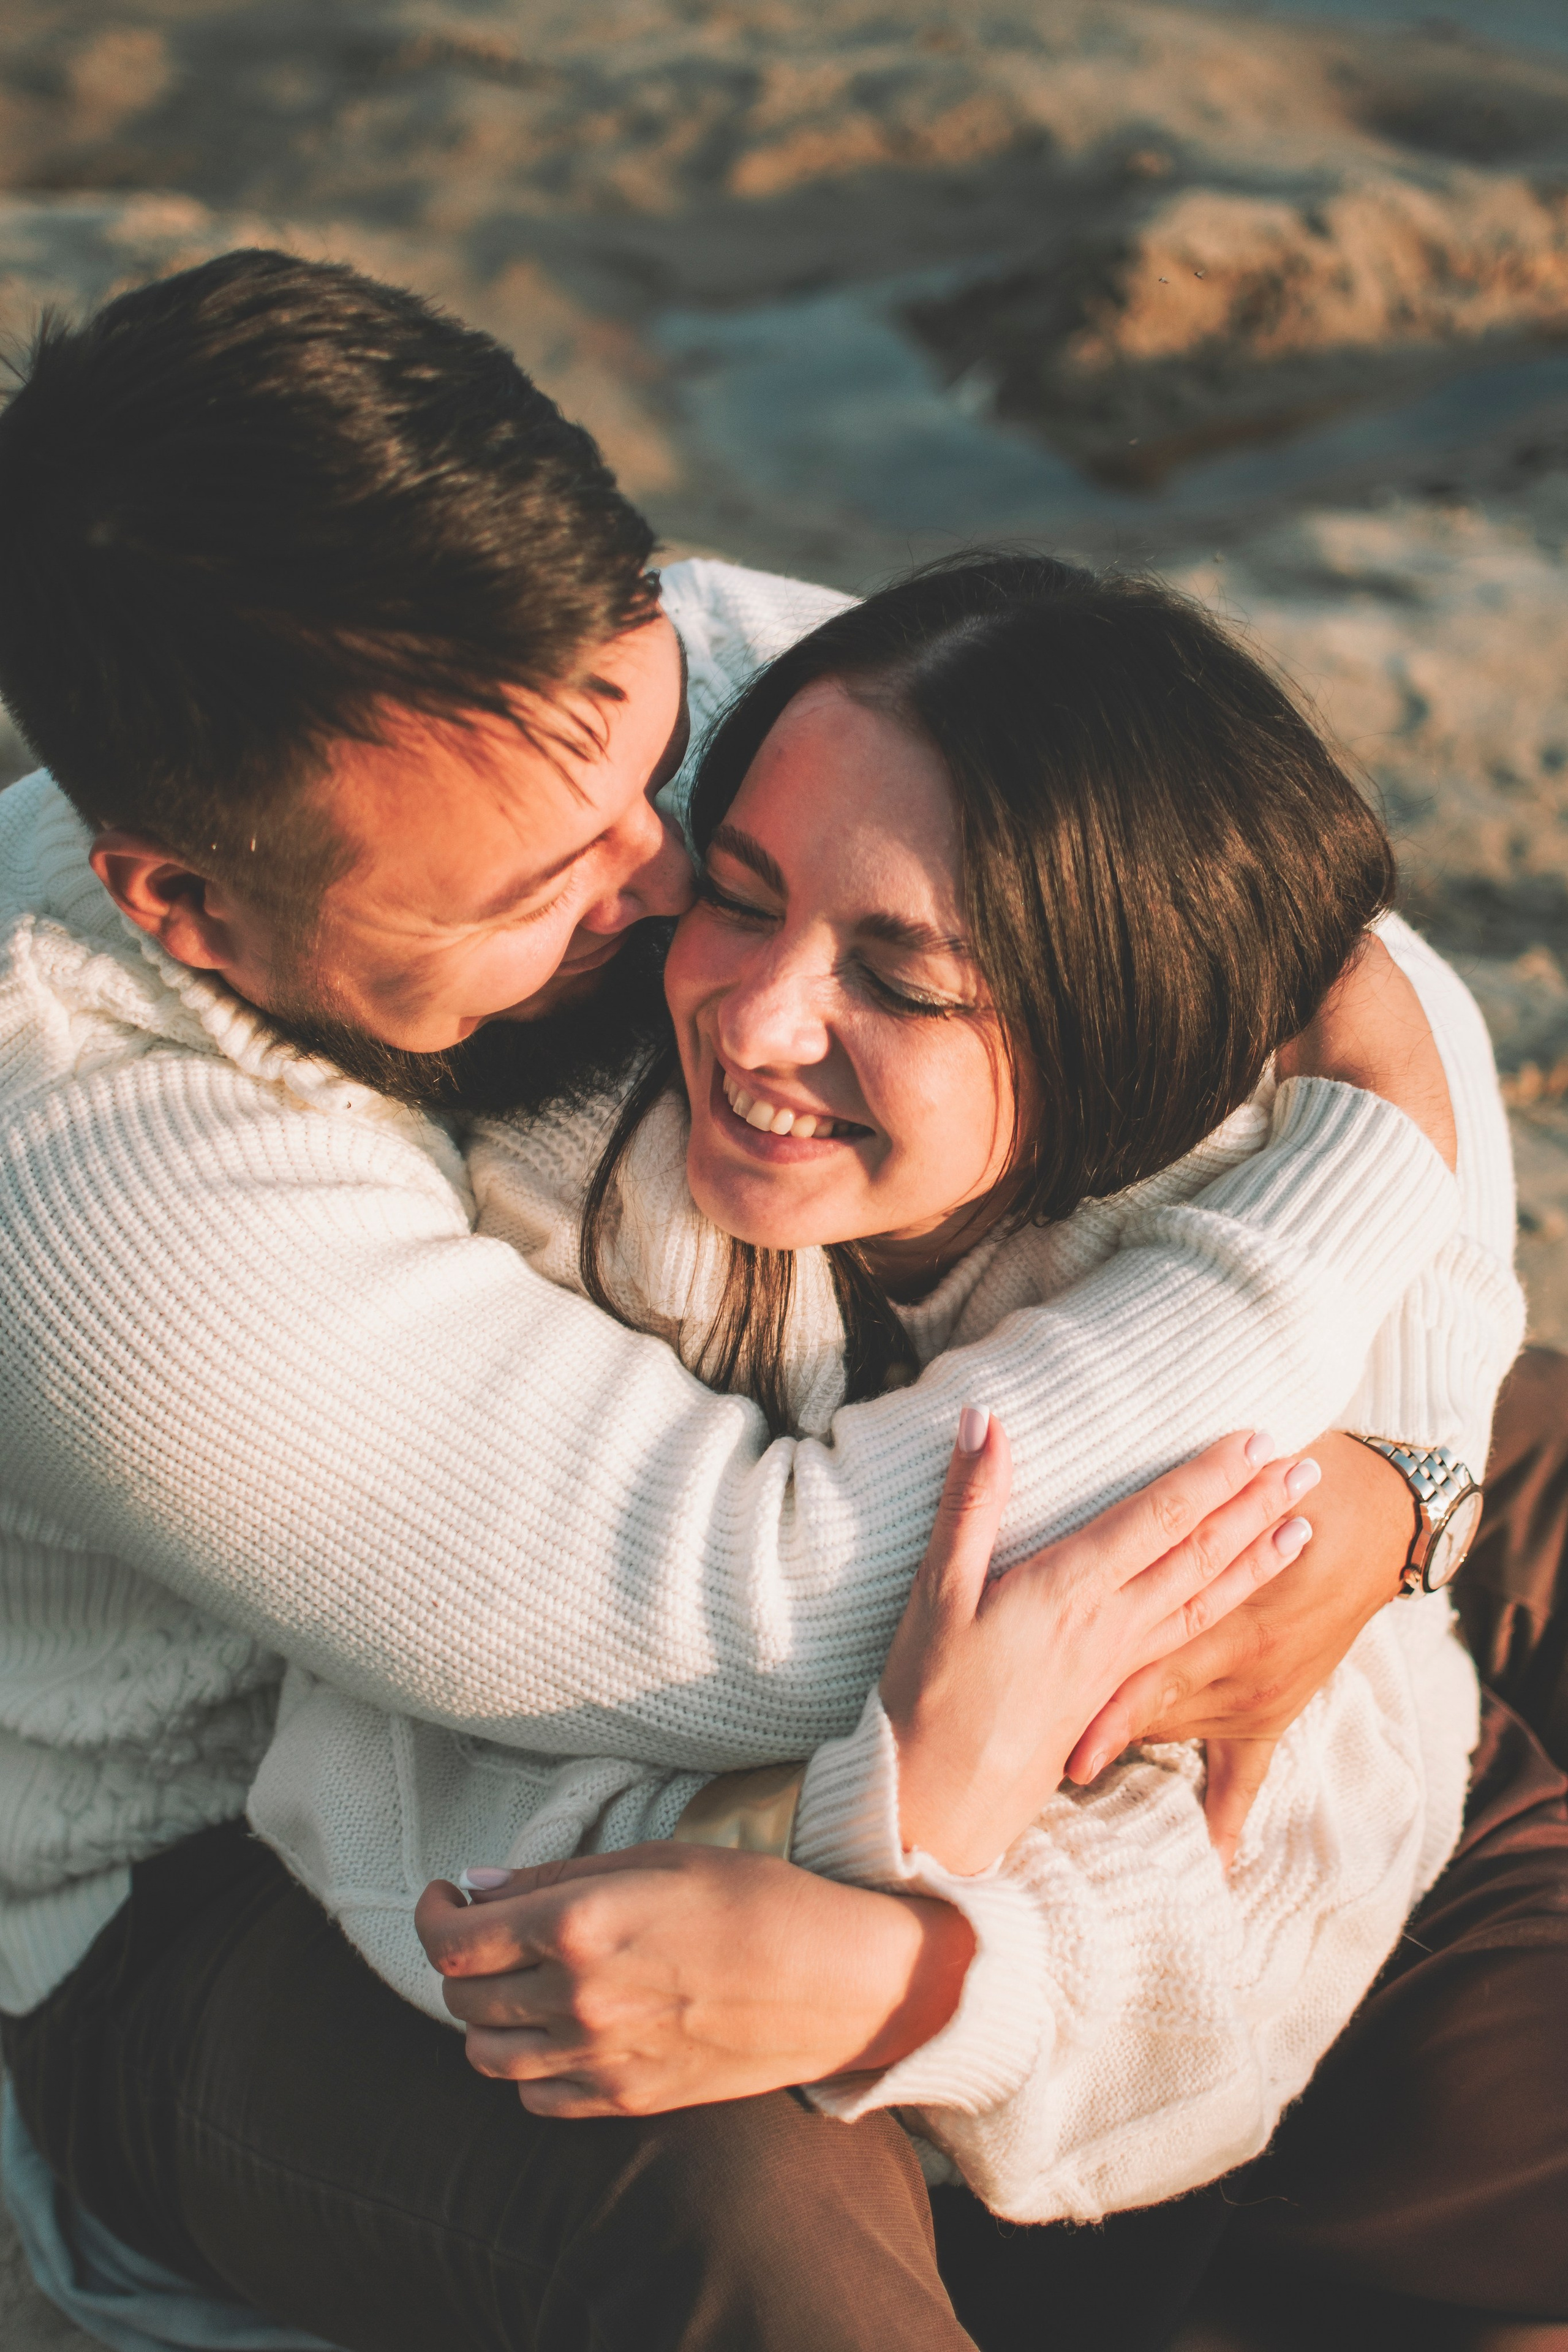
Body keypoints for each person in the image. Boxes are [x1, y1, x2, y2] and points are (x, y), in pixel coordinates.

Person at [0, 247, 1553, 2348]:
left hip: (799, 1428)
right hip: (221, 1870)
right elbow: (762, 1611)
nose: (661, 890)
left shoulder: (603, 684)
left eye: (658, 767)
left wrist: (1401, 1473)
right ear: (187, 904)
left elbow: (1325, 957)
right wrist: (1349, 1195)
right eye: (539, 892)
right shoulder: (90, 1177)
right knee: (730, 2174)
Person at [251, 551, 1509, 2233]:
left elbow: (1288, 1873)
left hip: (1220, 2105)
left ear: (1113, 1032)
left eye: (902, 980)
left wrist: (897, 1960)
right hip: (789, 2150)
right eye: (745, 894)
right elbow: (395, 1779)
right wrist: (916, 1803)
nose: (758, 1021)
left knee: (1492, 2121)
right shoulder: (562, 1179)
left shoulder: (1227, 1240)